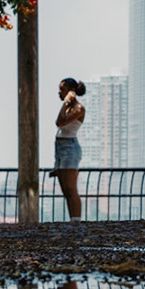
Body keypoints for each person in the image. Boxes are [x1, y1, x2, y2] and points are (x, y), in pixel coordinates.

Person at [53, 78, 86, 220]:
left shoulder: (78, 109)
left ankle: (76, 221)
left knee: (71, 189)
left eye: (62, 89)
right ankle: (72, 219)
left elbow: (59, 122)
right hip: (61, 149)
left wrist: (66, 102)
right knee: (65, 189)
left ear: (71, 91)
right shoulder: (67, 108)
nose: (59, 93)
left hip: (70, 148)